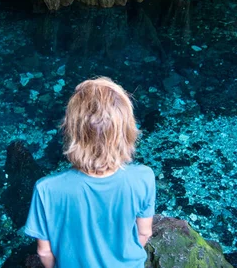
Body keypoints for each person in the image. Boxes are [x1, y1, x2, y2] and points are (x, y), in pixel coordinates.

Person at [24, 77, 156, 268]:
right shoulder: (144, 177)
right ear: (127, 131)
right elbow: (144, 233)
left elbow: (44, 251)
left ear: (72, 131)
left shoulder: (46, 189)